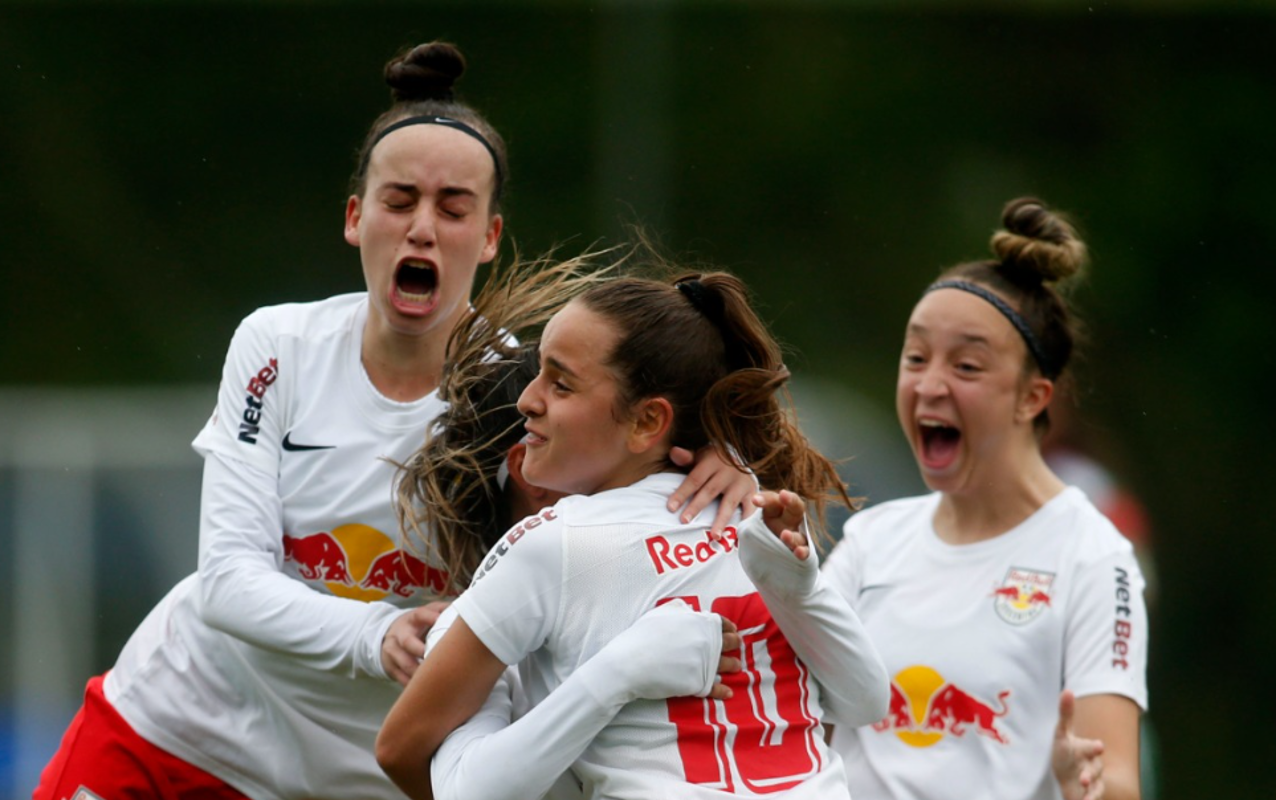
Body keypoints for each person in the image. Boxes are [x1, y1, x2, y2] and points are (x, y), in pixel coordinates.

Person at [33, 42, 751, 800]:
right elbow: (227, 582)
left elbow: (634, 457)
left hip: (372, 778)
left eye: (453, 207)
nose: (422, 228)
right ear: (355, 217)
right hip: (184, 726)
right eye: (399, 199)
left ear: (491, 237)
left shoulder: (524, 391)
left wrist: (722, 458)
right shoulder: (277, 347)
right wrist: (375, 635)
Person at [376, 264, 891, 799]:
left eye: (561, 382)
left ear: (648, 422)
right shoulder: (749, 517)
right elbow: (866, 704)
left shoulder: (556, 542)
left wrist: (615, 674)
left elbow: (433, 772)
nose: (528, 400)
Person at [822, 197, 1148, 800]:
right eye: (915, 357)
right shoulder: (872, 541)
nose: (930, 383)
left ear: (1033, 398)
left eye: (967, 366)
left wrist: (1086, 784)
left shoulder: (1093, 557)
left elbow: (1120, 781)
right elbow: (777, 694)